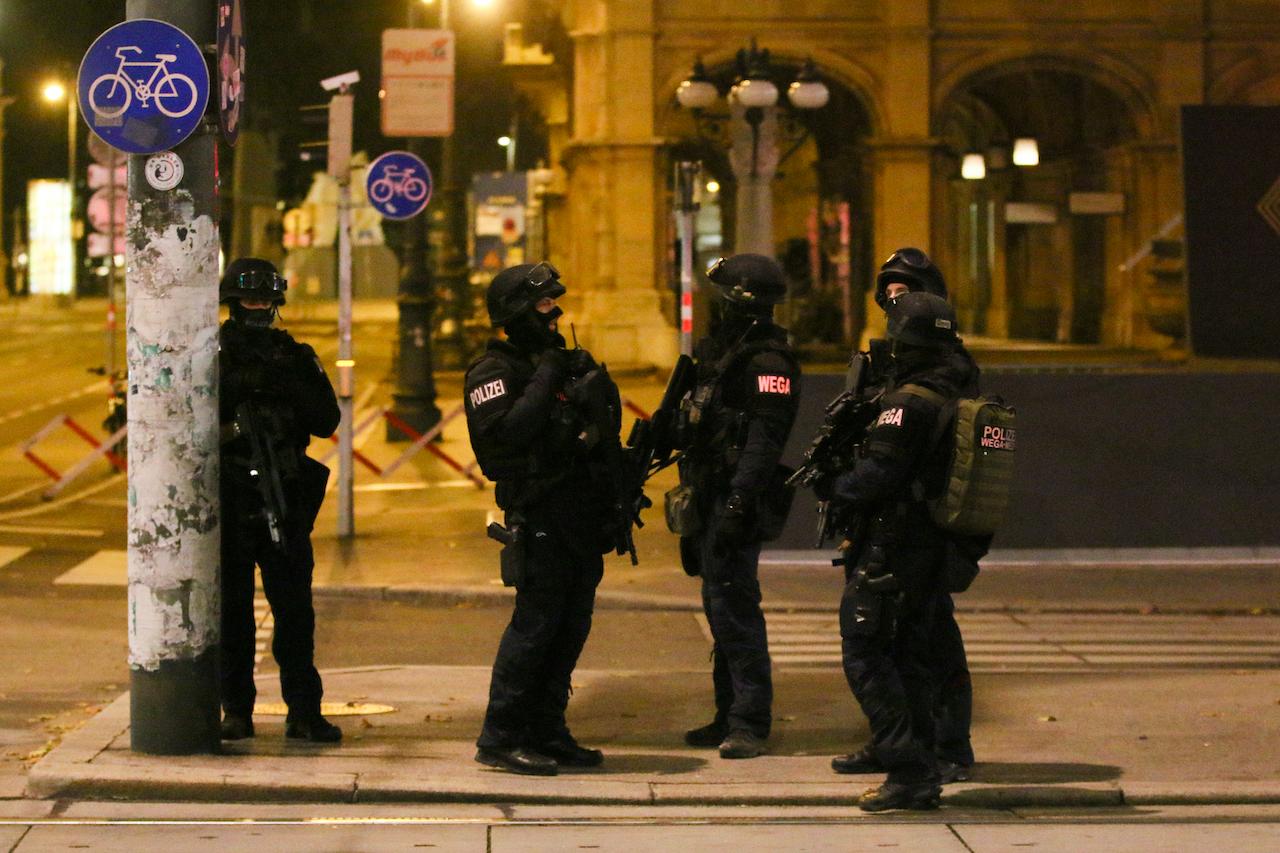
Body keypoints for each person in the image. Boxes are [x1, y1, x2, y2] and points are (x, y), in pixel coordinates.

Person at [816, 291, 981, 811]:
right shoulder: (953, 389)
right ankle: (922, 767)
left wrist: (833, 485)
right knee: (911, 654)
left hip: (895, 543)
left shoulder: (909, 403)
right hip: (928, 543)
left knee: (864, 650)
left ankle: (907, 767)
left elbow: (877, 475)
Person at [465, 261, 624, 776]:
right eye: (542, 305)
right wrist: (550, 374)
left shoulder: (565, 362)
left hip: (580, 515)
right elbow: (505, 439)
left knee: (572, 626)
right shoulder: (493, 371)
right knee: (535, 628)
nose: (554, 313)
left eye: (554, 303)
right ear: (515, 312)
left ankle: (547, 730)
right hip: (539, 513)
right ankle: (501, 736)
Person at [678, 254, 801, 760]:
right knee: (718, 606)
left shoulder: (768, 362)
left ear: (739, 303)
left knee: (735, 609)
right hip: (711, 494)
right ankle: (727, 712)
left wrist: (735, 504)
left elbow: (764, 443)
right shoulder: (723, 354)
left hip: (736, 498)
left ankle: (749, 721)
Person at [217, 258, 342, 744]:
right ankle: (236, 711)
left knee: (294, 612)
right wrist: (239, 386)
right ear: (234, 302)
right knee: (233, 613)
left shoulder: (294, 355)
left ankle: (304, 712)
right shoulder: (214, 356)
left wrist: (283, 379)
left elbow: (326, 418)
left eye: (265, 300)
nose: (258, 308)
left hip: (284, 498)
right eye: (250, 300)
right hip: (231, 492)